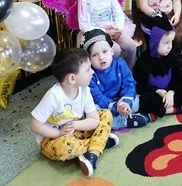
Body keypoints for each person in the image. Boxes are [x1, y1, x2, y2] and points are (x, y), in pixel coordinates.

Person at [30, 48, 119, 177]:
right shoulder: (53, 97)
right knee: (64, 149)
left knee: (105, 114)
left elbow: (94, 120)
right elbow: (35, 126)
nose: (92, 72)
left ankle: (92, 152)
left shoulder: (84, 89)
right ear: (72, 78)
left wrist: (75, 125)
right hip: (54, 139)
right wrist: (59, 133)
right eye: (88, 69)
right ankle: (99, 143)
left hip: (78, 130)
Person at [80, 29, 151, 130]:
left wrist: (125, 103)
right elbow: (97, 96)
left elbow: (129, 84)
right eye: (95, 55)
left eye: (105, 51)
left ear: (112, 51)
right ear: (88, 59)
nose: (101, 57)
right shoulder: (90, 73)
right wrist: (115, 108)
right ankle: (124, 121)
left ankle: (114, 119)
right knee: (92, 111)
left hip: (120, 99)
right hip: (103, 104)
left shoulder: (120, 64)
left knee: (135, 102)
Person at [133, 15, 182, 118]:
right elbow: (139, 85)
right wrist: (157, 91)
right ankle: (176, 109)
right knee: (144, 100)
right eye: (165, 43)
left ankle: (161, 111)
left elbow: (177, 78)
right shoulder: (143, 62)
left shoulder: (173, 57)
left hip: (171, 93)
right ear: (153, 43)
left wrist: (171, 92)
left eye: (171, 42)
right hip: (155, 94)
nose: (170, 47)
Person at [78, 0, 137, 68]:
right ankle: (110, 72)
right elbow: (84, 25)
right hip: (96, 32)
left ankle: (126, 70)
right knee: (115, 50)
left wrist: (118, 28)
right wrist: (105, 32)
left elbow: (118, 13)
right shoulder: (84, 1)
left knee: (131, 46)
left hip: (113, 28)